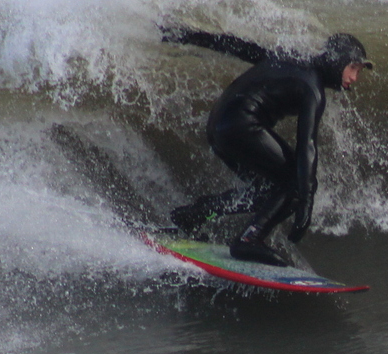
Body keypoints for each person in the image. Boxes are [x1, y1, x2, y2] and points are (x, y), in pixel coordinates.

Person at [159, 25, 373, 266]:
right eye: (353, 68)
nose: (354, 78)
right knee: (295, 183)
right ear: (338, 61)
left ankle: (195, 214)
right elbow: (307, 147)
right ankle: (250, 239)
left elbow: (240, 47)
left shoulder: (292, 59)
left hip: (219, 127)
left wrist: (188, 35)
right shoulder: (312, 90)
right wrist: (306, 202)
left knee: (271, 193)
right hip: (242, 127)